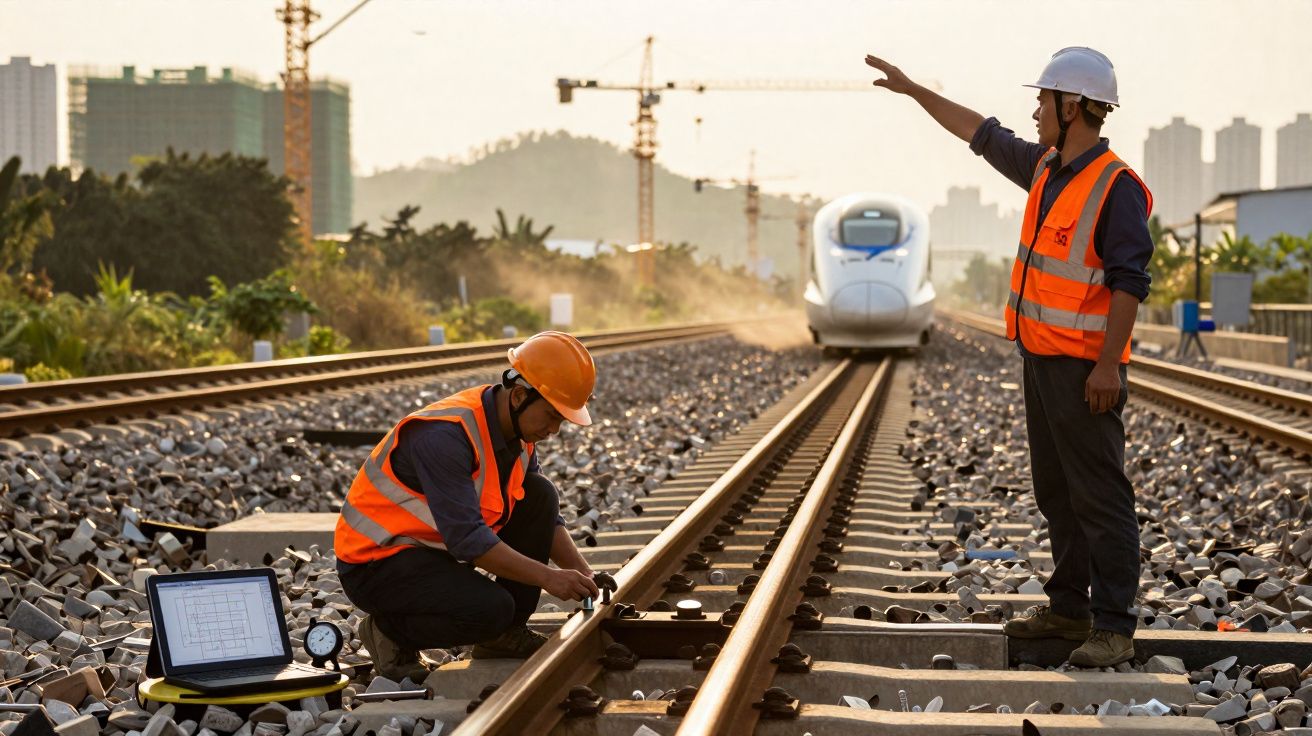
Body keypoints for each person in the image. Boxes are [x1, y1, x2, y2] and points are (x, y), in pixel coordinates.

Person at [865, 47, 1153, 667]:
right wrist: (915, 89)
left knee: (1100, 496)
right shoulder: (1046, 168)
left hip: (1085, 370)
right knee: (1058, 493)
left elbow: (1129, 282)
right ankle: (1070, 610)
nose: (1036, 110)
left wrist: (1108, 366)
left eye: (1044, 99)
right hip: (1041, 360)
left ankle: (1114, 626)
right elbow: (980, 131)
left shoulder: (1116, 188)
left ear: (1072, 106)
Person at [334, 331, 601, 680]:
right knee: (491, 610)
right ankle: (389, 632)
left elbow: (541, 516)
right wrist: (549, 578)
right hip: (376, 564)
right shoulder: (444, 436)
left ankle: (505, 638)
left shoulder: (518, 431)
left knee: (539, 493)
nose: (554, 429)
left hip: (429, 552)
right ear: (519, 396)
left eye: (561, 420)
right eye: (551, 416)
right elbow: (469, 541)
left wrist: (586, 575)